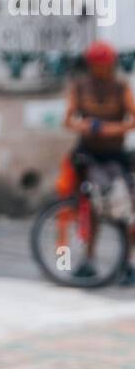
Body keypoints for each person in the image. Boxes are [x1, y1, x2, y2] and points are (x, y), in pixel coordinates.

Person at [63, 40, 135, 283]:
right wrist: (83, 125)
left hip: (115, 155)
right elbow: (69, 118)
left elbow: (132, 118)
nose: (101, 70)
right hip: (88, 154)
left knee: (126, 209)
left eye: (105, 65)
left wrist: (111, 129)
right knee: (90, 207)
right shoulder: (81, 87)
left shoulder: (120, 86)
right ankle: (89, 259)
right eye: (97, 65)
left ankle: (129, 262)